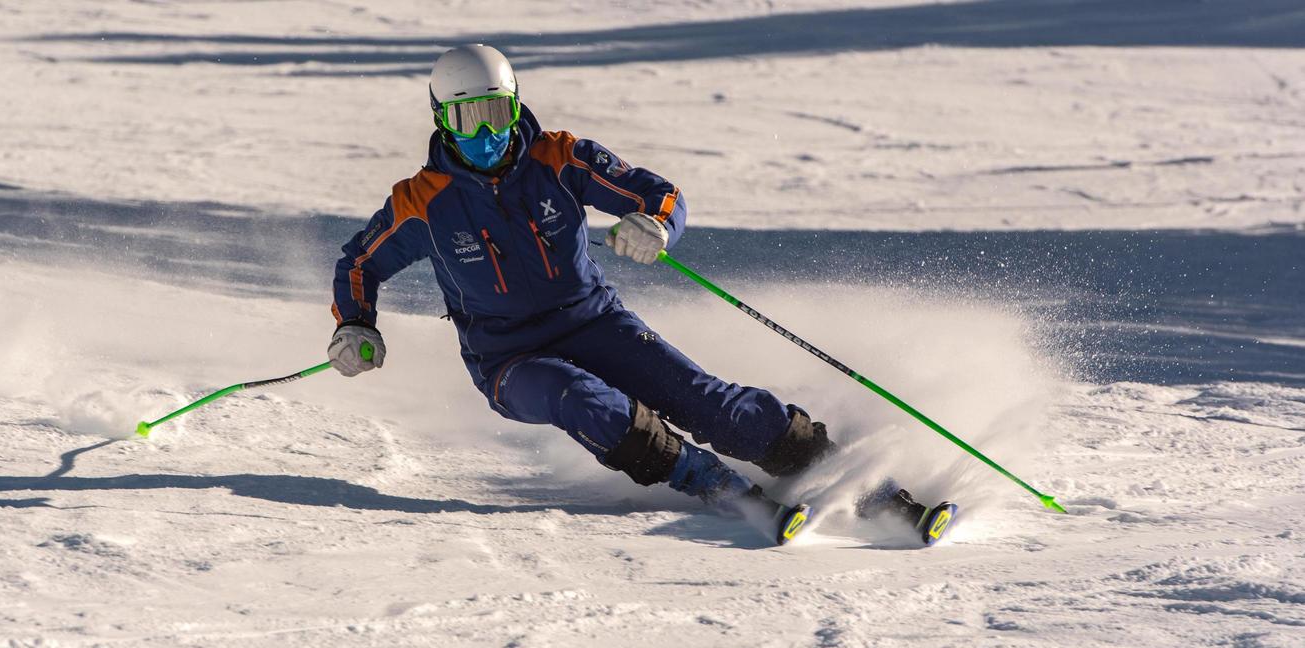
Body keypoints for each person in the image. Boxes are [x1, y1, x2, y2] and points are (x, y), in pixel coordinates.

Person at [329, 44, 949, 544]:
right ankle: (712, 484)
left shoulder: (560, 159)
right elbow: (360, 261)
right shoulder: (423, 201)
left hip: (594, 321)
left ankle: (874, 491)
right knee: (581, 398)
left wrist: (655, 226)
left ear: (516, 107)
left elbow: (660, 195)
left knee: (712, 406)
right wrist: (356, 324)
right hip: (507, 359)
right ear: (441, 119)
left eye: (495, 113)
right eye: (466, 120)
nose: (484, 135)